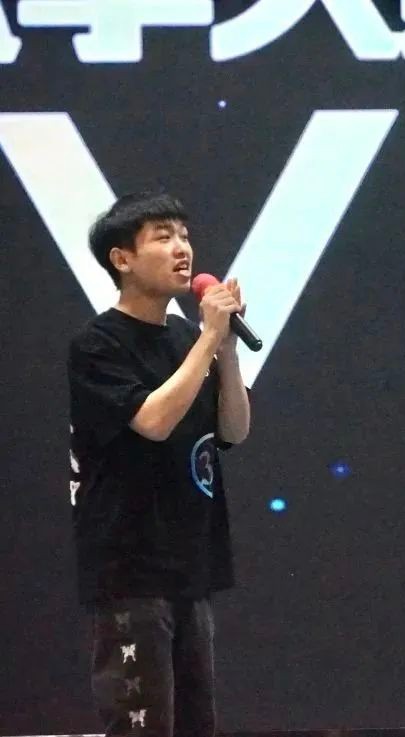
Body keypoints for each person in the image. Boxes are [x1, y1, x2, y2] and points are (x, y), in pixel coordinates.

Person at [67, 191, 250, 737]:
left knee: (198, 724)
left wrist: (226, 349)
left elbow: (234, 430)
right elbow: (153, 421)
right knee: (143, 725)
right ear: (122, 258)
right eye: (163, 237)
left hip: (190, 562)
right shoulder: (97, 344)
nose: (182, 249)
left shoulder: (189, 339)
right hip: (130, 569)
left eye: (185, 236)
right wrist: (210, 337)